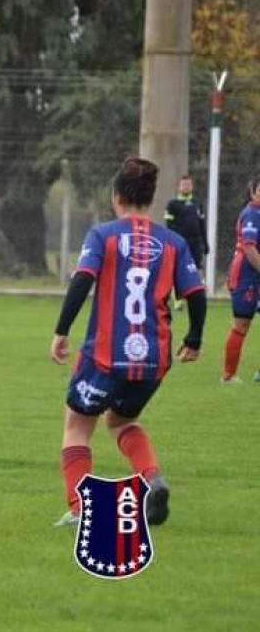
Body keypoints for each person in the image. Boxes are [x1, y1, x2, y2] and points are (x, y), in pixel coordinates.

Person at [50, 156, 206, 528]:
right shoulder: (173, 242)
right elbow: (196, 295)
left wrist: (61, 331)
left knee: (77, 424)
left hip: (105, 353)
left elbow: (82, 281)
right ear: (150, 199)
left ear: (116, 195)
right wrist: (195, 338)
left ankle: (78, 509)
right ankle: (152, 479)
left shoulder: (103, 235)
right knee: (121, 423)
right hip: (154, 357)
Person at [220, 174, 260, 384]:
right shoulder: (252, 214)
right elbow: (248, 246)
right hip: (246, 275)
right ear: (253, 192)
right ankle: (228, 376)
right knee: (241, 325)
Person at [165, 174, 209, 310]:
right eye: (184, 184)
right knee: (177, 270)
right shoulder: (172, 204)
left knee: (198, 269)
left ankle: (199, 296)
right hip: (180, 243)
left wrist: (205, 243)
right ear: (178, 187)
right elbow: (169, 226)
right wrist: (174, 242)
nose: (186, 187)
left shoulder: (197, 203)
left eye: (189, 184)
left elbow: (202, 224)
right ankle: (178, 299)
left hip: (196, 243)